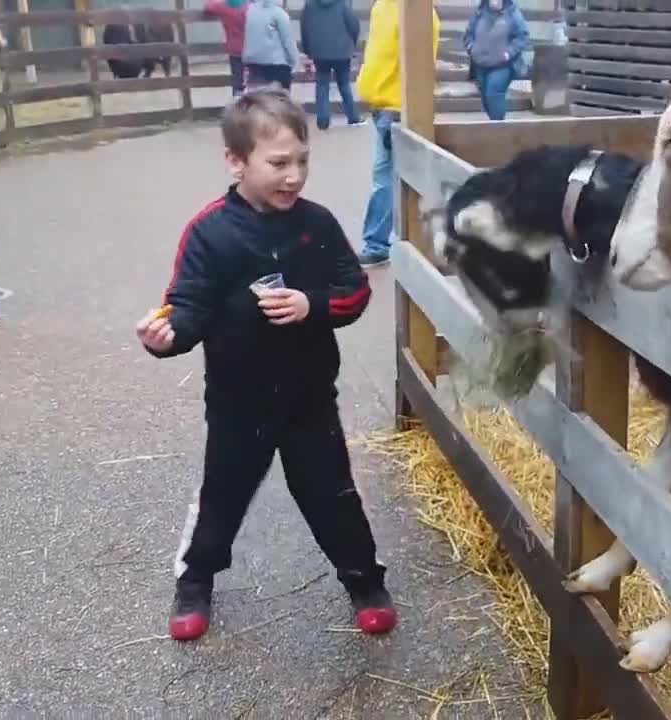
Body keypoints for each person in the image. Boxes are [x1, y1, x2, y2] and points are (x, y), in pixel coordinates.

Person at [134, 89, 395, 642]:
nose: (294, 176)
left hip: (308, 400)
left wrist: (312, 305)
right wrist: (165, 337)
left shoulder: (317, 226)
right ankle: (195, 579)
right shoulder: (210, 232)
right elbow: (187, 307)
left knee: (334, 496)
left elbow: (354, 291)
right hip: (236, 403)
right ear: (236, 161)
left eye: (302, 161)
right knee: (221, 498)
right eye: (278, 163)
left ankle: (365, 581)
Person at [352, 0, 439, 267]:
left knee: (387, 180)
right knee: (389, 178)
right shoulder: (384, 7)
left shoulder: (418, 14)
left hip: (395, 107)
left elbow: (418, 66)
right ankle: (393, 241)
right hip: (383, 105)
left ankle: (379, 244)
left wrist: (404, 107)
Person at [300, 0, 362, 130]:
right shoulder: (342, 3)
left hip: (319, 51)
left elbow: (304, 28)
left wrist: (308, 50)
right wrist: (352, 43)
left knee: (322, 85)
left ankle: (323, 120)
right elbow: (353, 25)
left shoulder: (310, 5)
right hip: (342, 50)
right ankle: (353, 117)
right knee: (344, 84)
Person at [462, 0, 529, 121]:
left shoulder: (512, 14)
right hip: (480, 64)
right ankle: (494, 124)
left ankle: (498, 128)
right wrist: (471, 48)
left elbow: (522, 36)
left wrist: (509, 52)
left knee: (494, 92)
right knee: (485, 98)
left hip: (502, 65)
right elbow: (468, 34)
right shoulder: (479, 13)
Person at [242, 0, 300, 92]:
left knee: (257, 100)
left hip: (253, 63)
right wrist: (295, 61)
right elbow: (288, 41)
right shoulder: (279, 14)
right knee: (280, 101)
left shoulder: (250, 11)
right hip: (276, 65)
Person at [202, 0, 250, 97]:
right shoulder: (249, 7)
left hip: (234, 50)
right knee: (253, 82)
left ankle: (238, 105)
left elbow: (207, 6)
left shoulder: (223, 6)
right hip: (251, 50)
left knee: (237, 82)